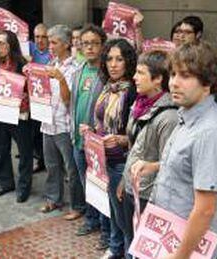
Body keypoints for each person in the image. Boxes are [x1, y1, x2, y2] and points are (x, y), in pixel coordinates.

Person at [134, 41, 217, 258]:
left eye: (186, 76)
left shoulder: (210, 132)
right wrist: (154, 166)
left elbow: (205, 209)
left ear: (208, 83)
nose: (174, 83)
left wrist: (180, 255)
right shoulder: (187, 115)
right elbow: (190, 166)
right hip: (169, 231)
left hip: (187, 245)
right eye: (172, 74)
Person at [118, 50, 178, 257]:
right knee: (130, 239)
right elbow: (136, 148)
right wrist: (124, 181)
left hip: (147, 195)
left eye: (140, 73)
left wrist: (154, 203)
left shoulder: (169, 116)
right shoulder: (139, 104)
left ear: (158, 79)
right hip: (132, 185)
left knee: (143, 247)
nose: (134, 77)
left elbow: (168, 164)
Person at [90, 38, 137, 259]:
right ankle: (115, 247)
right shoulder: (107, 87)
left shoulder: (134, 92)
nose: (114, 64)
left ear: (128, 62)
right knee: (112, 210)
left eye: (119, 59)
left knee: (125, 217)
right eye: (109, 59)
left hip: (123, 161)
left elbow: (139, 137)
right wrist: (90, 130)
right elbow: (100, 120)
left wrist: (120, 139)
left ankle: (127, 252)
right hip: (103, 158)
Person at [0, 31, 33, 202]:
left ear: (11, 44)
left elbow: (33, 88)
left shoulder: (22, 64)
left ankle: (24, 186)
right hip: (1, 113)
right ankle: (6, 182)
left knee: (24, 152)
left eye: (2, 43)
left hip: (20, 115)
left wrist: (26, 93)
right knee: (2, 149)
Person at [38, 25, 84, 221]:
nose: (50, 46)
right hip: (48, 122)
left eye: (54, 42)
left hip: (65, 125)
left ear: (66, 44)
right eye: (49, 42)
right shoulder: (51, 63)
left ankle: (77, 205)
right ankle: (54, 198)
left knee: (71, 169)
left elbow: (69, 100)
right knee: (51, 164)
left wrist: (62, 79)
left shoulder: (75, 68)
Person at [71, 24, 110, 248]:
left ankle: (106, 231)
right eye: (86, 43)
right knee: (88, 185)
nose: (90, 47)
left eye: (95, 43)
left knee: (101, 187)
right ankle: (91, 220)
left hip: (97, 143)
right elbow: (73, 106)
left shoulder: (107, 75)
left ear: (102, 45)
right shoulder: (79, 71)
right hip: (78, 140)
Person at [29, 23, 51, 173]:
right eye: (37, 36)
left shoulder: (53, 52)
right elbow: (8, 41)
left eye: (44, 37)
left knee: (48, 132)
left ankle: (51, 162)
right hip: (34, 97)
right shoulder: (29, 48)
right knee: (35, 132)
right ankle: (40, 159)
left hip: (49, 97)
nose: (40, 40)